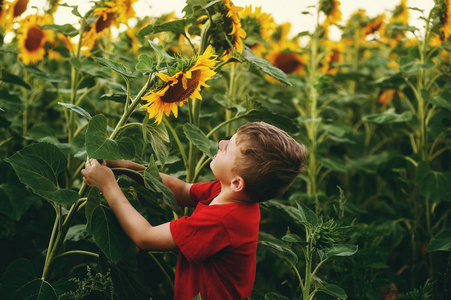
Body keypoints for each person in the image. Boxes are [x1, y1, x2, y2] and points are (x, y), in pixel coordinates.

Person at [81, 121, 308, 300]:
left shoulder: (222, 221)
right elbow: (182, 190)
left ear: (237, 182)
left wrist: (108, 186)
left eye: (228, 147)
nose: (221, 142)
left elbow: (146, 237)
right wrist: (128, 167)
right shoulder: (233, 195)